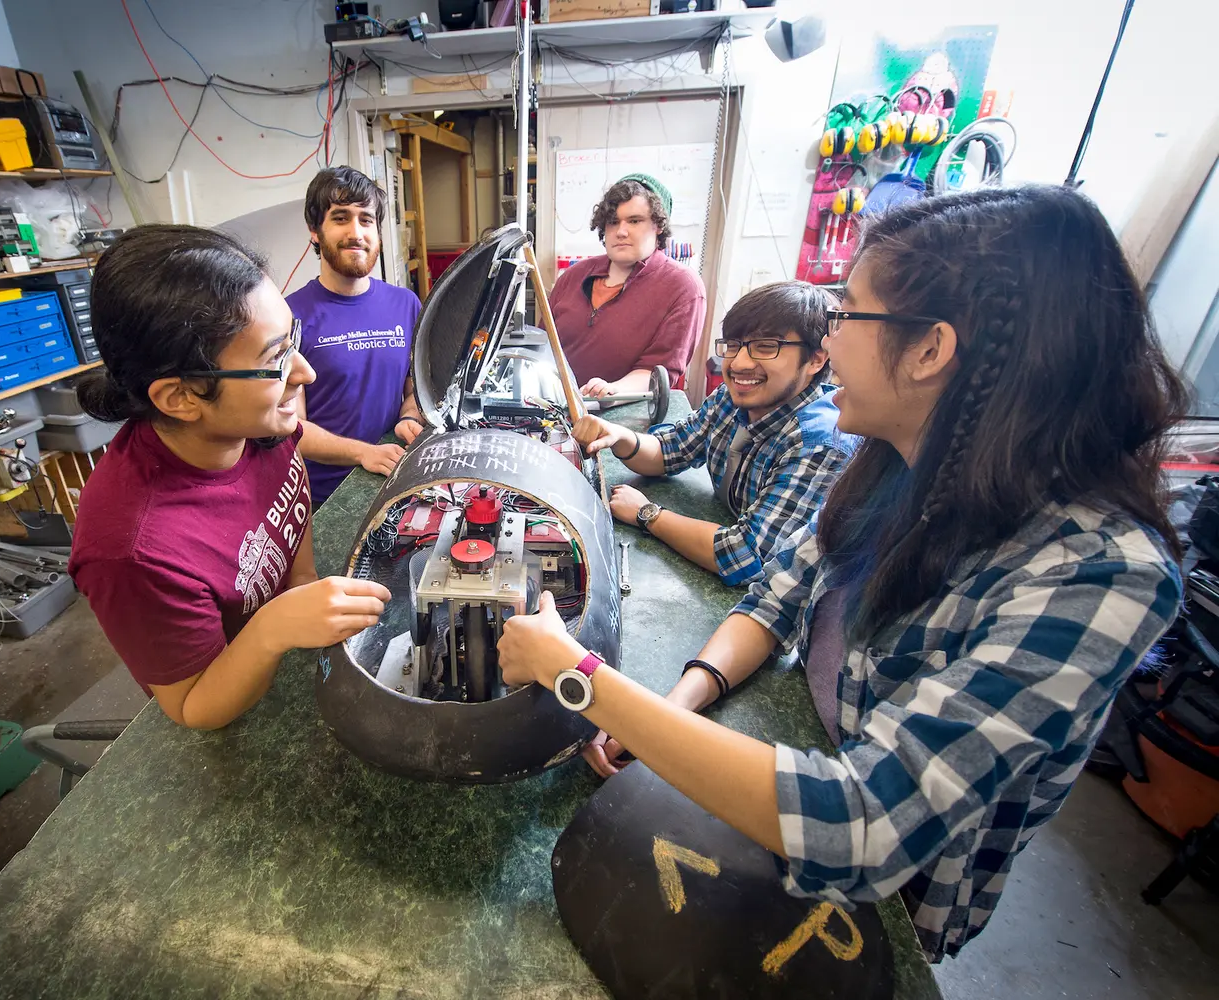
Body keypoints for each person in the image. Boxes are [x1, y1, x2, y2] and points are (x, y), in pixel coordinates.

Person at [497, 186, 1186, 961]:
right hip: (800, 766)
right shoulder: (894, 463)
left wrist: (582, 678)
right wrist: (678, 705)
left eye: (847, 315)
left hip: (889, 898)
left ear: (930, 350)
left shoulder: (1097, 577)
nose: (831, 342)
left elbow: (863, 822)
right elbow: (775, 598)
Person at [69, 225, 391, 730]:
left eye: (294, 341)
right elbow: (194, 709)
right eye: (275, 360)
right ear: (180, 397)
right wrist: (272, 629)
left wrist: (300, 579)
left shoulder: (260, 423)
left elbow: (289, 491)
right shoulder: (132, 550)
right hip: (230, 696)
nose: (304, 373)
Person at [571, 281, 851, 586]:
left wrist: (648, 514)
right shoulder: (730, 400)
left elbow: (747, 555)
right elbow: (671, 450)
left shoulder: (819, 443)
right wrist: (619, 436)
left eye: (766, 347)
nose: (739, 363)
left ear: (816, 359)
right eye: (733, 345)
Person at [288, 167, 426, 506]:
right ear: (315, 232)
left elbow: (415, 389)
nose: (356, 232)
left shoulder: (405, 304)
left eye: (366, 220)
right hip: (327, 499)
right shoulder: (289, 315)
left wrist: (409, 416)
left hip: (395, 478)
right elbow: (291, 428)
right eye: (340, 218)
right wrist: (363, 453)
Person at [549, 174, 705, 398]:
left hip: (626, 416)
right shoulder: (573, 277)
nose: (621, 231)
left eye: (634, 221)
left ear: (658, 225)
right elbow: (541, 347)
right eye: (613, 221)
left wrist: (613, 390)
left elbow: (658, 373)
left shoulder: (682, 287)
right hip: (554, 407)